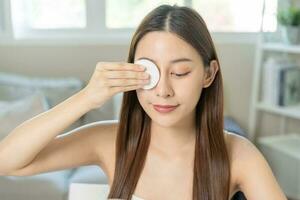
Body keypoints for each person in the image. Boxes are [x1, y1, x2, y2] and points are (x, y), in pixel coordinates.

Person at [0, 4, 287, 200]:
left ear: (208, 74)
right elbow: (7, 162)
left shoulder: (238, 155)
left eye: (179, 73)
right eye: (150, 71)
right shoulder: (110, 140)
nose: (163, 90)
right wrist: (86, 98)